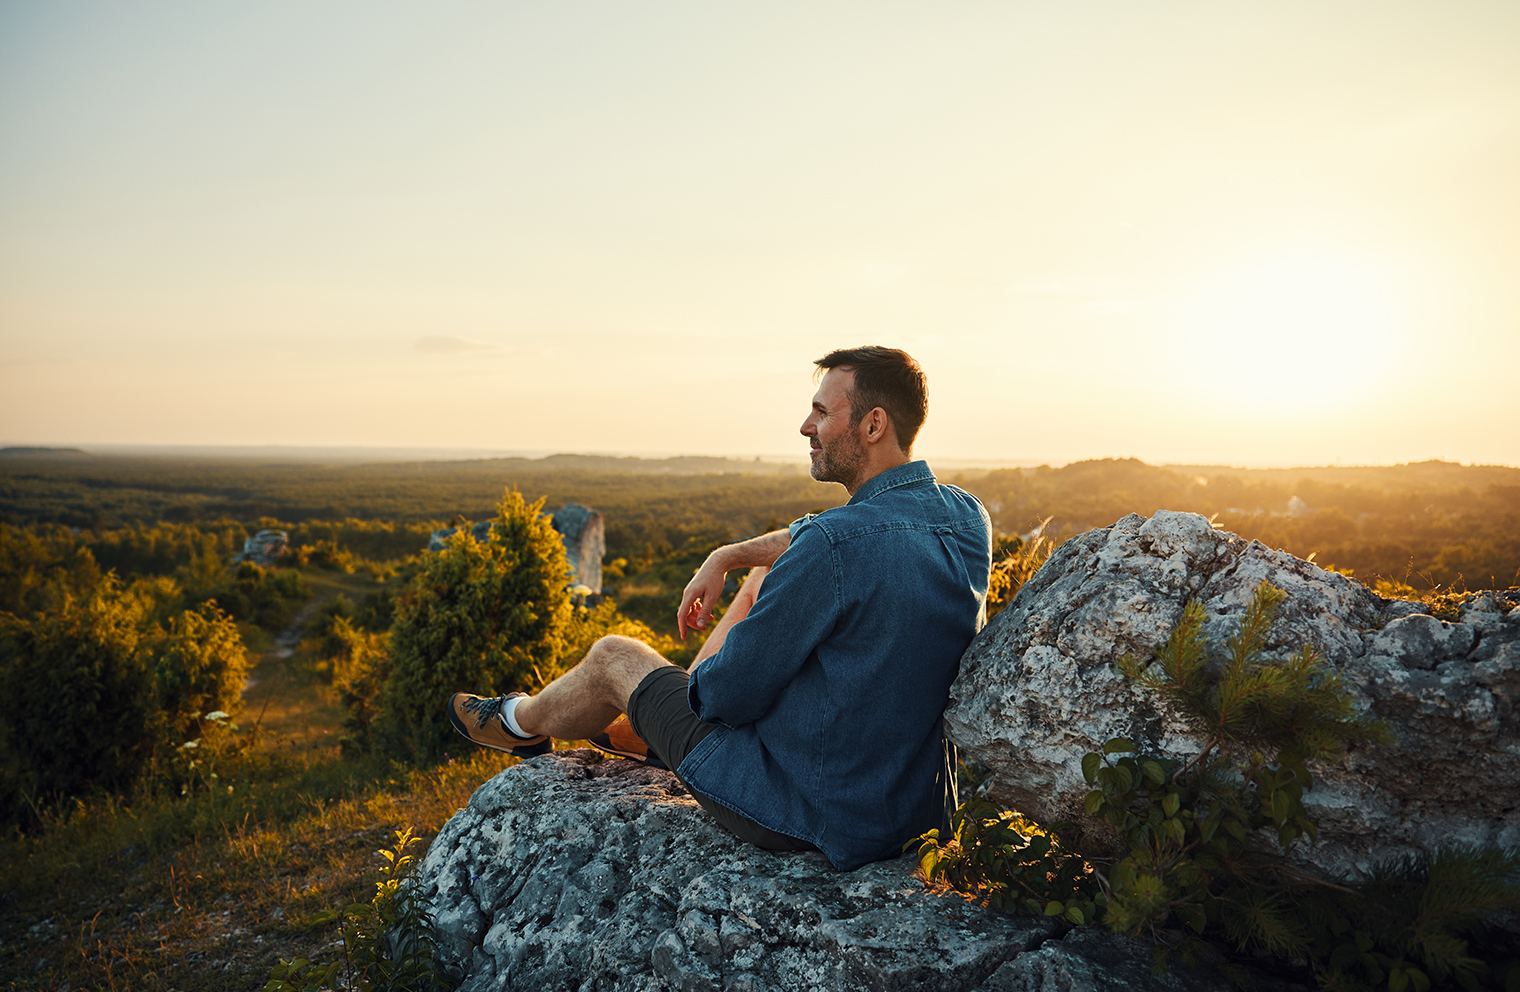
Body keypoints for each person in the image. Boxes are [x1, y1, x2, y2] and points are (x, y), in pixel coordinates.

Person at [447, 346, 991, 871]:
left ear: (873, 425)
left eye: (822, 413)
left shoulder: (832, 549)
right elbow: (825, 536)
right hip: (915, 810)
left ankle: (517, 722)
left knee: (616, 656)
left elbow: (723, 699)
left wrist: (683, 689)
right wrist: (728, 556)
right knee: (764, 575)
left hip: (811, 809)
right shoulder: (968, 518)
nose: (806, 426)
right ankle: (642, 730)